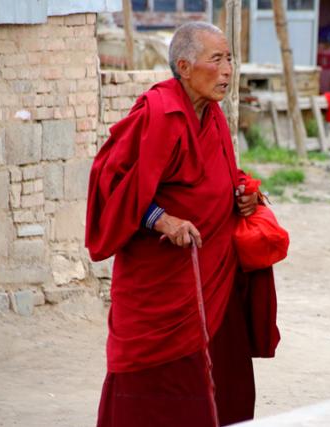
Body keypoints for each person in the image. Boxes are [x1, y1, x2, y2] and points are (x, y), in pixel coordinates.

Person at [86, 22, 279, 426]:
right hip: (165, 283)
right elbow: (112, 185)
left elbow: (222, 174)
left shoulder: (214, 117)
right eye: (217, 60)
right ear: (185, 66)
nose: (228, 70)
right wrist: (160, 219)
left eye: (230, 59)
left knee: (226, 383)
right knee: (155, 391)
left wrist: (242, 191)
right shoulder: (159, 112)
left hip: (215, 277)